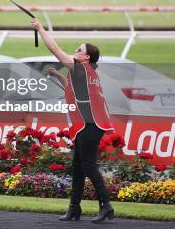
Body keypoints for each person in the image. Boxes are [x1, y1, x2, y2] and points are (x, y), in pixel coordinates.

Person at [31, 19, 115, 223]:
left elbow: (54, 49)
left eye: (79, 50)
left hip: (89, 126)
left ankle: (107, 206)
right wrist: (58, 75)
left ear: (86, 57)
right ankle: (74, 209)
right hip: (91, 125)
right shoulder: (88, 71)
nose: (75, 51)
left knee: (88, 166)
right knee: (78, 168)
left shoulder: (81, 67)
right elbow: (74, 89)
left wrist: (40, 28)